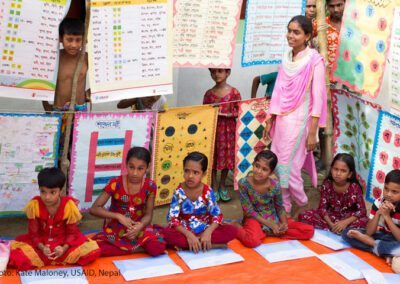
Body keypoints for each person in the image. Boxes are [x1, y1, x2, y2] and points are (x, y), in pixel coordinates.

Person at [263, 15, 327, 218]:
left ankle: (303, 202)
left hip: (301, 122)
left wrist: (312, 132)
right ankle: (285, 207)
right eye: (289, 30)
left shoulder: (315, 61)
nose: (290, 35)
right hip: (282, 120)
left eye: (296, 32)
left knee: (288, 168)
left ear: (307, 35)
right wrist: (270, 118)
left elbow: (318, 97)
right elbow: (279, 92)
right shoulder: (286, 57)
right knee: (277, 165)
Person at [8, 168, 100, 270]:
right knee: (16, 256)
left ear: (60, 190)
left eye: (52, 192)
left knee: (92, 251)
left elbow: (72, 233)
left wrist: (63, 248)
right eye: (43, 192)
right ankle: (48, 257)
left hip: (63, 243)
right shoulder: (35, 205)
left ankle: (57, 257)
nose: (47, 197)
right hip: (40, 245)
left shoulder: (69, 205)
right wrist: (42, 248)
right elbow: (33, 234)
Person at [90, 147, 166, 257]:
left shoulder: (150, 186)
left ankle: (126, 248)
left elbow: (149, 215)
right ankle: (137, 248)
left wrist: (139, 226)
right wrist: (118, 216)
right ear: (126, 164)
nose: (135, 173)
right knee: (96, 248)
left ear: (147, 168)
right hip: (116, 227)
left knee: (157, 247)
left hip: (139, 227)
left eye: (140, 168)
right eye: (131, 167)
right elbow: (94, 209)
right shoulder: (115, 183)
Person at [235, 150, 314, 248]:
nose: (259, 171)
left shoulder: (275, 185)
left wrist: (284, 225)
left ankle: (267, 232)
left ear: (271, 172)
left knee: (309, 231)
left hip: (273, 218)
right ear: (253, 164)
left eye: (264, 169)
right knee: (252, 241)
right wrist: (270, 225)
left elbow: (279, 208)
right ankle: (237, 227)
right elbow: (249, 211)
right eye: (257, 166)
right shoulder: (244, 183)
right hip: (254, 218)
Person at [162, 152, 238, 253]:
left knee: (231, 231)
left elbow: (217, 216)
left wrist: (208, 232)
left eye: (195, 172)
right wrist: (189, 235)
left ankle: (193, 245)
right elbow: (172, 219)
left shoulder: (207, 191)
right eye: (186, 171)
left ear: (204, 174)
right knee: (166, 233)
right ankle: (210, 245)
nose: (190, 176)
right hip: (185, 230)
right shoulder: (179, 191)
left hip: (205, 229)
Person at [342, 169, 400, 270]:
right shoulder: (378, 202)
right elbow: (369, 232)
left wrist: (387, 217)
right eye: (386, 189)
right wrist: (378, 213)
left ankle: (373, 244)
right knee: (347, 233)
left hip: (397, 239)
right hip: (384, 236)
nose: (389, 194)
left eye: (394, 192)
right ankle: (386, 252)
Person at [298, 153, 368, 234]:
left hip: (348, 219)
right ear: (331, 170)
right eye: (336, 169)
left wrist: (345, 223)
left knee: (365, 221)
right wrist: (331, 224)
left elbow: (362, 211)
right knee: (304, 216)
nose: (338, 173)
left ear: (350, 174)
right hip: (330, 218)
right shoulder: (327, 183)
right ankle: (339, 231)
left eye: (343, 171)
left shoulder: (355, 187)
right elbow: (322, 208)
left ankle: (343, 230)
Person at [203, 68, 241, 202]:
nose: (216, 74)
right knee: (213, 156)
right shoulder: (208, 94)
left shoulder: (234, 92)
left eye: (220, 71)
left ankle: (223, 184)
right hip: (213, 129)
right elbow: (204, 112)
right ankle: (213, 184)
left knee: (226, 158)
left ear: (228, 72)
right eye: (213, 72)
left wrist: (225, 115)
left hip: (228, 130)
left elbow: (240, 111)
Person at [42, 18, 89, 112]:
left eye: (78, 40)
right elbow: (41, 83)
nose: (74, 45)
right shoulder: (54, 58)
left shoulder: (86, 58)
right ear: (61, 38)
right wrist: (46, 104)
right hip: (58, 108)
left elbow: (102, 81)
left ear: (84, 40)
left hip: (80, 108)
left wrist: (90, 93)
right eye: (69, 40)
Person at [312, 0, 345, 68]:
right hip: (325, 74)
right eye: (331, 6)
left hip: (350, 74)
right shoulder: (319, 24)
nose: (336, 9)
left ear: (345, 4)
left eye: (339, 5)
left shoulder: (353, 24)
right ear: (327, 6)